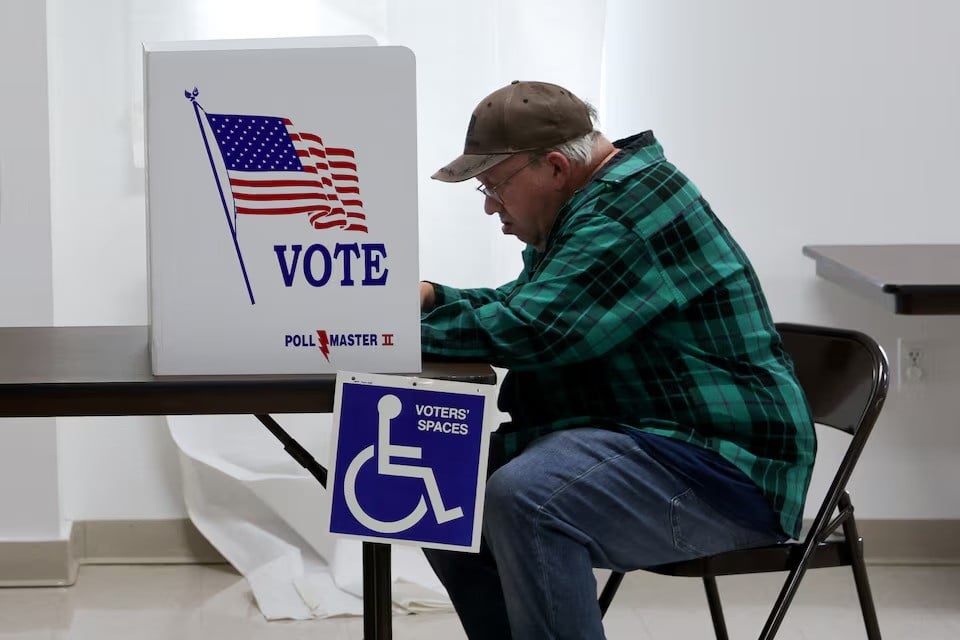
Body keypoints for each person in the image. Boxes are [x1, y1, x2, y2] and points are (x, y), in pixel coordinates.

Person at [418, 80, 816, 640]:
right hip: (652, 440)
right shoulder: (595, 205)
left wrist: (384, 334)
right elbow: (529, 306)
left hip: (720, 468)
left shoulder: (624, 213)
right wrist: (435, 297)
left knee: (527, 499)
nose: (489, 206)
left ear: (554, 167)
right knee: (435, 483)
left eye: (493, 185)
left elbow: (537, 330)